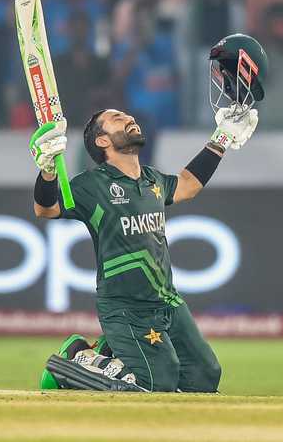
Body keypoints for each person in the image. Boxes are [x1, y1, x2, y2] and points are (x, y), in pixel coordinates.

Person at [34, 34, 266, 393]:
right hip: (124, 306)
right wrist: (48, 168)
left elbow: (188, 185)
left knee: (204, 378)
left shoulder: (152, 180)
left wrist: (222, 138)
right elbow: (46, 208)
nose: (127, 117)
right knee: (155, 381)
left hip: (166, 301)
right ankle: (73, 358)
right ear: (101, 141)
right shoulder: (91, 185)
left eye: (126, 114)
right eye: (115, 119)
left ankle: (106, 352)